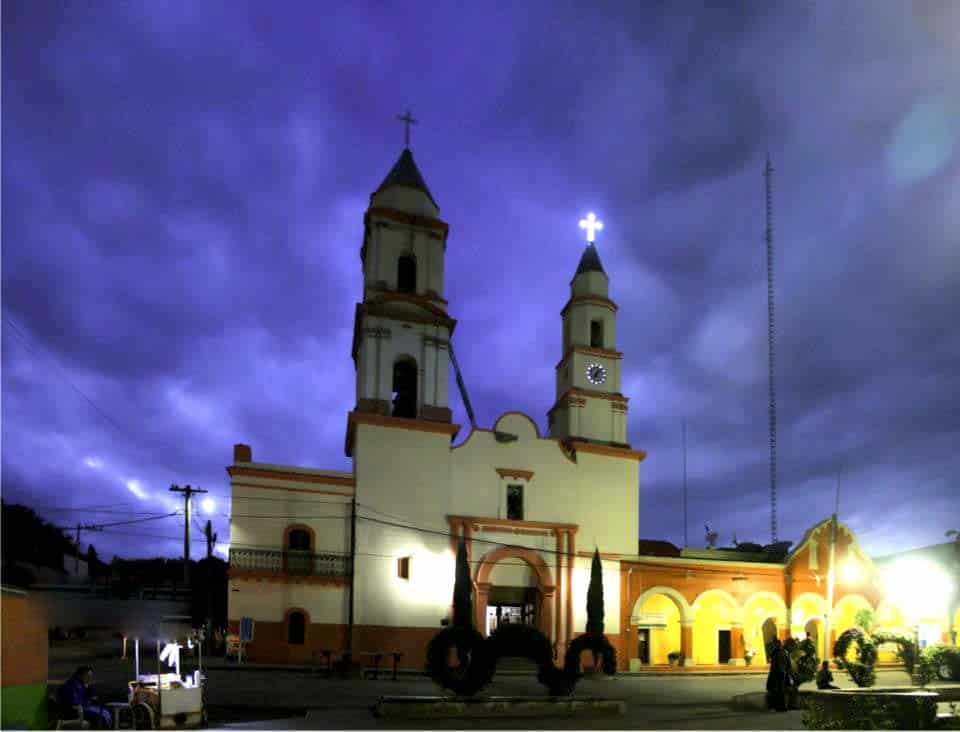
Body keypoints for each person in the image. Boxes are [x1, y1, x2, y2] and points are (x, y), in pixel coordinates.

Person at [765, 639, 788, 712]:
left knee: (775, 690)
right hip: (782, 672)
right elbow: (788, 664)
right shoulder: (785, 652)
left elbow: (773, 663)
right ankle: (782, 707)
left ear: (777, 645)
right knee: (781, 690)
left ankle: (776, 706)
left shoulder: (775, 652)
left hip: (775, 673)